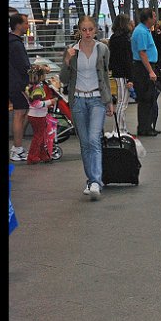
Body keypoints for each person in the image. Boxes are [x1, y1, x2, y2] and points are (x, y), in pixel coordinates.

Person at [60, 15, 114, 200]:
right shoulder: (71, 51)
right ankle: (91, 180)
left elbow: (105, 76)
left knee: (93, 139)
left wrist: (109, 101)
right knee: (84, 143)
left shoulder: (103, 49)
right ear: (79, 31)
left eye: (90, 29)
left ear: (96, 30)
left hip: (97, 99)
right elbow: (64, 80)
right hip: (78, 101)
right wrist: (67, 61)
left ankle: (96, 182)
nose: (87, 33)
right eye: (84, 29)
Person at [130, 8, 160, 137]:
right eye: (153, 16)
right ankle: (144, 128)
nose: (155, 18)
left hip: (145, 67)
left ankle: (147, 126)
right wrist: (151, 71)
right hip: (143, 69)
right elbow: (142, 53)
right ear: (147, 18)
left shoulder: (144, 30)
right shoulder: (141, 32)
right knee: (146, 99)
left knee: (149, 98)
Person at [9, 13, 31, 162]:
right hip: (18, 84)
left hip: (13, 83)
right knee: (20, 114)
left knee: (22, 113)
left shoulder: (11, 42)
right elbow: (24, 66)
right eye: (26, 23)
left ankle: (17, 147)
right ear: (18, 25)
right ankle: (17, 149)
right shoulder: (16, 44)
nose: (27, 25)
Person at [24, 64, 56, 164]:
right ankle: (32, 156)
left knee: (41, 136)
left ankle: (43, 155)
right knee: (39, 137)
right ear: (41, 77)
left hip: (33, 115)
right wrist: (51, 101)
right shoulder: (38, 89)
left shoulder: (30, 87)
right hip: (38, 116)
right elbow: (37, 104)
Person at [108, 13, 134, 134]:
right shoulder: (125, 40)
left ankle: (121, 128)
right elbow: (127, 60)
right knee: (122, 103)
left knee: (121, 102)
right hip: (123, 75)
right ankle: (118, 129)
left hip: (117, 73)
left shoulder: (113, 38)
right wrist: (130, 78)